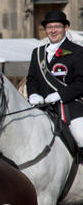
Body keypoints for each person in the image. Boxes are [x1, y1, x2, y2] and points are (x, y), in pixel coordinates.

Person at [26, 10, 83, 150]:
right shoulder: (37, 52)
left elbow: (81, 82)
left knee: (81, 136)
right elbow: (32, 78)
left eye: (57, 26)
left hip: (71, 108)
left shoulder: (78, 51)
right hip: (43, 108)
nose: (53, 31)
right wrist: (33, 94)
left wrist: (60, 95)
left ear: (65, 28)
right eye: (49, 27)